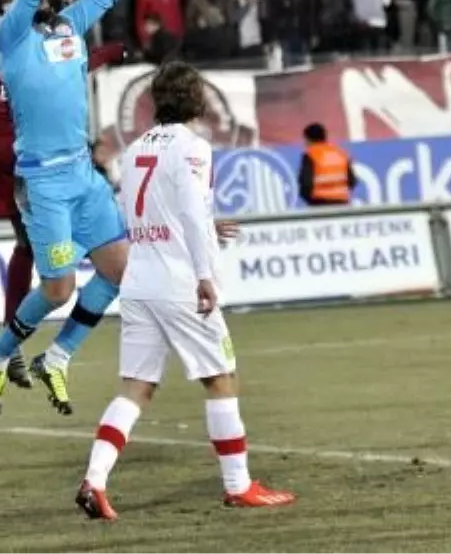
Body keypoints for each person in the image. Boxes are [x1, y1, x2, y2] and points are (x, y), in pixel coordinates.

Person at [75, 62, 296, 520]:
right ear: (195, 99)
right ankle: (238, 485)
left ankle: (94, 480)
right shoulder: (193, 146)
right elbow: (193, 211)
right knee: (221, 378)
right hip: (179, 282)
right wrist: (204, 274)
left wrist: (190, 228)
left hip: (139, 281)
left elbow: (135, 211)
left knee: (135, 387)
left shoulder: (135, 149)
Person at [0, 0, 130, 418]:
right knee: (59, 289)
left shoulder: (70, 26)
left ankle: (58, 356)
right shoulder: (11, 37)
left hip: (84, 176)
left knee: (118, 270)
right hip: (42, 183)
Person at [298, 123, 355, 206]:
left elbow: (305, 183)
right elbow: (351, 181)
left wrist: (310, 201)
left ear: (308, 139)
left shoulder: (310, 155)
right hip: (342, 203)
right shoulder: (340, 153)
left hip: (319, 203)